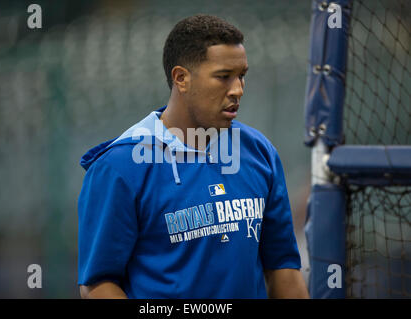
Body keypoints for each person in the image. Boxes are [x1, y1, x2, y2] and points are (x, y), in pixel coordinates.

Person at [78, 14, 309, 299]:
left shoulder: (259, 152)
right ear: (181, 78)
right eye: (223, 77)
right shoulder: (120, 167)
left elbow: (282, 265)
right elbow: (98, 284)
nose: (237, 89)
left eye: (242, 76)